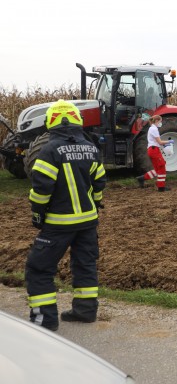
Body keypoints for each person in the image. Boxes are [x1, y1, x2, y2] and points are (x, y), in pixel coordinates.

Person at [26, 99, 107, 331]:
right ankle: (85, 311)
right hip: (88, 222)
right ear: (77, 121)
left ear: (51, 122)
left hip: (58, 224)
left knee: (38, 269)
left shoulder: (49, 150)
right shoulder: (91, 148)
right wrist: (95, 203)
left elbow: (41, 189)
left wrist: (38, 215)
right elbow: (100, 182)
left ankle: (44, 322)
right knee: (85, 264)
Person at [135, 115, 172, 192]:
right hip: (154, 150)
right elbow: (159, 142)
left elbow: (157, 142)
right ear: (156, 121)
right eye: (160, 121)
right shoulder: (154, 129)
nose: (160, 123)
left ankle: (142, 178)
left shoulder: (151, 128)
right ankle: (161, 187)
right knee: (161, 167)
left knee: (157, 169)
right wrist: (169, 142)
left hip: (152, 149)